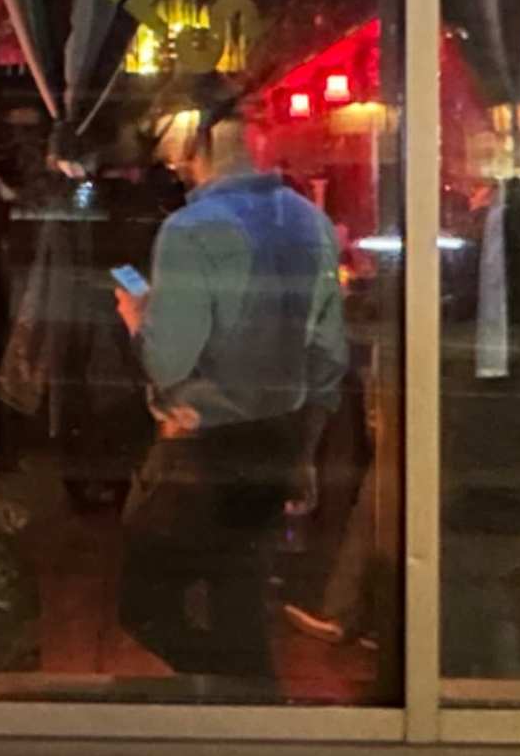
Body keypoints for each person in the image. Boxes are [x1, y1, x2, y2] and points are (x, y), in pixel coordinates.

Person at [110, 116, 348, 684]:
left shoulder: (191, 230)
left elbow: (168, 360)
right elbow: (327, 356)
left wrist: (138, 320)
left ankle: (239, 693)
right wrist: (305, 450)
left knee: (143, 605)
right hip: (279, 435)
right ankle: (251, 708)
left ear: (200, 150)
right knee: (239, 598)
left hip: (201, 444)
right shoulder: (309, 221)